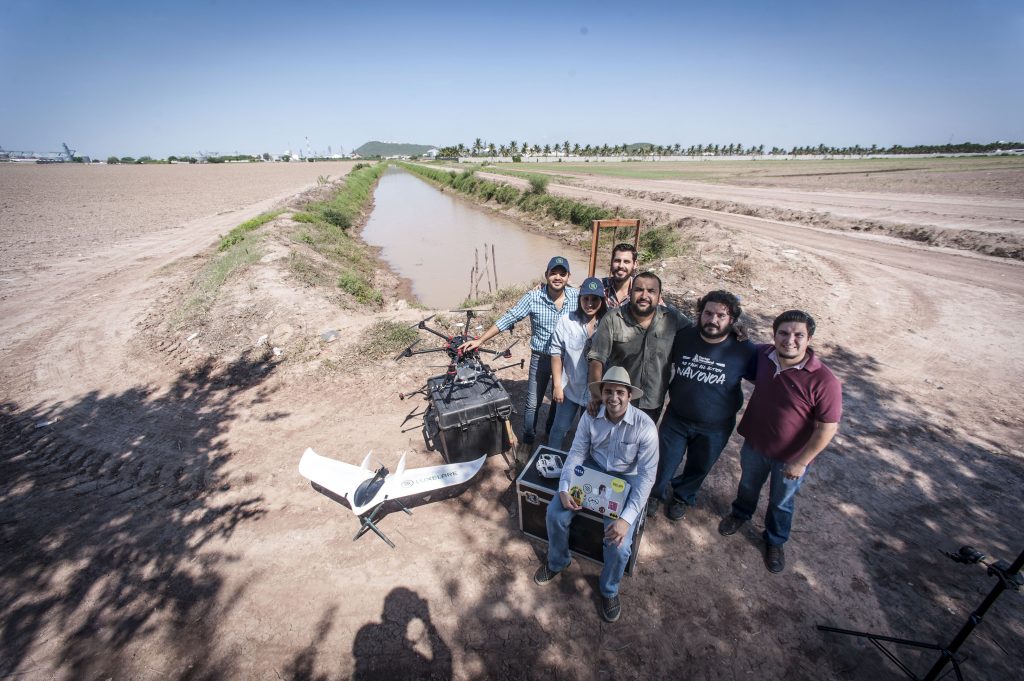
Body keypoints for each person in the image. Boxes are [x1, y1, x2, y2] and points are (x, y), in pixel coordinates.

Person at [718, 310, 842, 573]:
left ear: (809, 339)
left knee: (781, 501)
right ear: (774, 335)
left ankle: (775, 540)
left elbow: (827, 428)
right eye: (783, 333)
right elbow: (740, 351)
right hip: (755, 443)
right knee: (748, 485)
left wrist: (802, 462)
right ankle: (740, 514)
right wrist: (736, 333)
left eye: (798, 335)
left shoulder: (824, 380)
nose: (790, 340)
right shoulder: (764, 355)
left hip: (791, 458)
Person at [533, 367, 658, 623]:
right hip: (593, 468)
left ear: (629, 395)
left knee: (620, 545)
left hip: (625, 479)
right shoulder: (590, 415)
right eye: (608, 391)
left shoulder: (645, 426)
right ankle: (557, 562)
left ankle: (609, 589)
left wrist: (626, 519)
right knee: (555, 513)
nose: (614, 397)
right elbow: (577, 453)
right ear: (601, 394)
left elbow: (646, 477)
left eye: (620, 392)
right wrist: (564, 488)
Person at [654, 290, 756, 521]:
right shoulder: (683, 337)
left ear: (732, 320)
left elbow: (763, 377)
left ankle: (683, 496)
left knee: (699, 466)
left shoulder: (745, 350)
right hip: (677, 418)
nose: (713, 320)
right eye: (708, 313)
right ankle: (655, 494)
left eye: (721, 316)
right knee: (663, 460)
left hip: (716, 426)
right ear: (700, 313)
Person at [461, 256, 578, 444]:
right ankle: (528, 439)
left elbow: (595, 300)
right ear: (546, 275)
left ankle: (550, 432)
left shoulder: (576, 297)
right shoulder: (533, 297)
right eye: (553, 273)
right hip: (541, 358)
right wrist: (480, 340)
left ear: (568, 277)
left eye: (562, 274)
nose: (557, 277)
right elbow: (510, 317)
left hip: (565, 360)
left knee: (559, 399)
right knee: (532, 403)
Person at [587, 272, 692, 424]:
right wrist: (597, 397)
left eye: (651, 291)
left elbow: (700, 333)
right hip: (617, 401)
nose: (644, 295)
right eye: (639, 290)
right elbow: (597, 359)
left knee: (643, 439)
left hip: (652, 403)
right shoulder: (613, 318)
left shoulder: (673, 319)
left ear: (659, 296)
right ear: (630, 292)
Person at [547, 276, 607, 450]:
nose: (589, 303)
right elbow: (556, 354)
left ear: (602, 300)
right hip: (570, 389)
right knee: (558, 430)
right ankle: (551, 458)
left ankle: (580, 464)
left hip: (597, 395)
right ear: (579, 298)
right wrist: (557, 385)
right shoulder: (566, 321)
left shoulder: (608, 324)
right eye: (585, 298)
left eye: (594, 299)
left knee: (589, 435)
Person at [601, 243, 638, 309]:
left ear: (635, 264)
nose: (621, 266)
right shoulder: (600, 287)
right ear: (611, 262)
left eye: (626, 262)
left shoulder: (641, 290)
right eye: (617, 261)